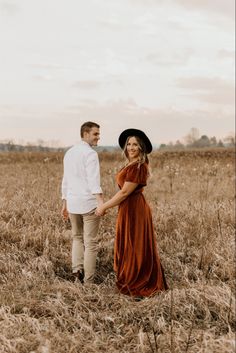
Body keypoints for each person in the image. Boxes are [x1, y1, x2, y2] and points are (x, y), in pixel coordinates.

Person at [96, 128, 168, 297]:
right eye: (129, 144)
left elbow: (124, 192)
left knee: (136, 244)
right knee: (128, 243)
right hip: (127, 208)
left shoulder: (138, 166)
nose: (131, 147)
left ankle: (138, 281)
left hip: (135, 209)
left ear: (141, 147)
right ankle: (129, 278)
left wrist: (103, 206)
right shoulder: (129, 164)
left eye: (135, 144)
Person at [61, 121, 103, 284]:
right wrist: (100, 202)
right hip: (88, 203)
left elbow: (66, 180)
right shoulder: (91, 154)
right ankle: (89, 282)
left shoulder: (69, 153)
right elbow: (94, 181)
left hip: (73, 203)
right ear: (85, 134)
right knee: (90, 242)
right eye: (95, 134)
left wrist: (64, 201)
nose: (98, 137)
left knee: (77, 238)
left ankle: (76, 272)